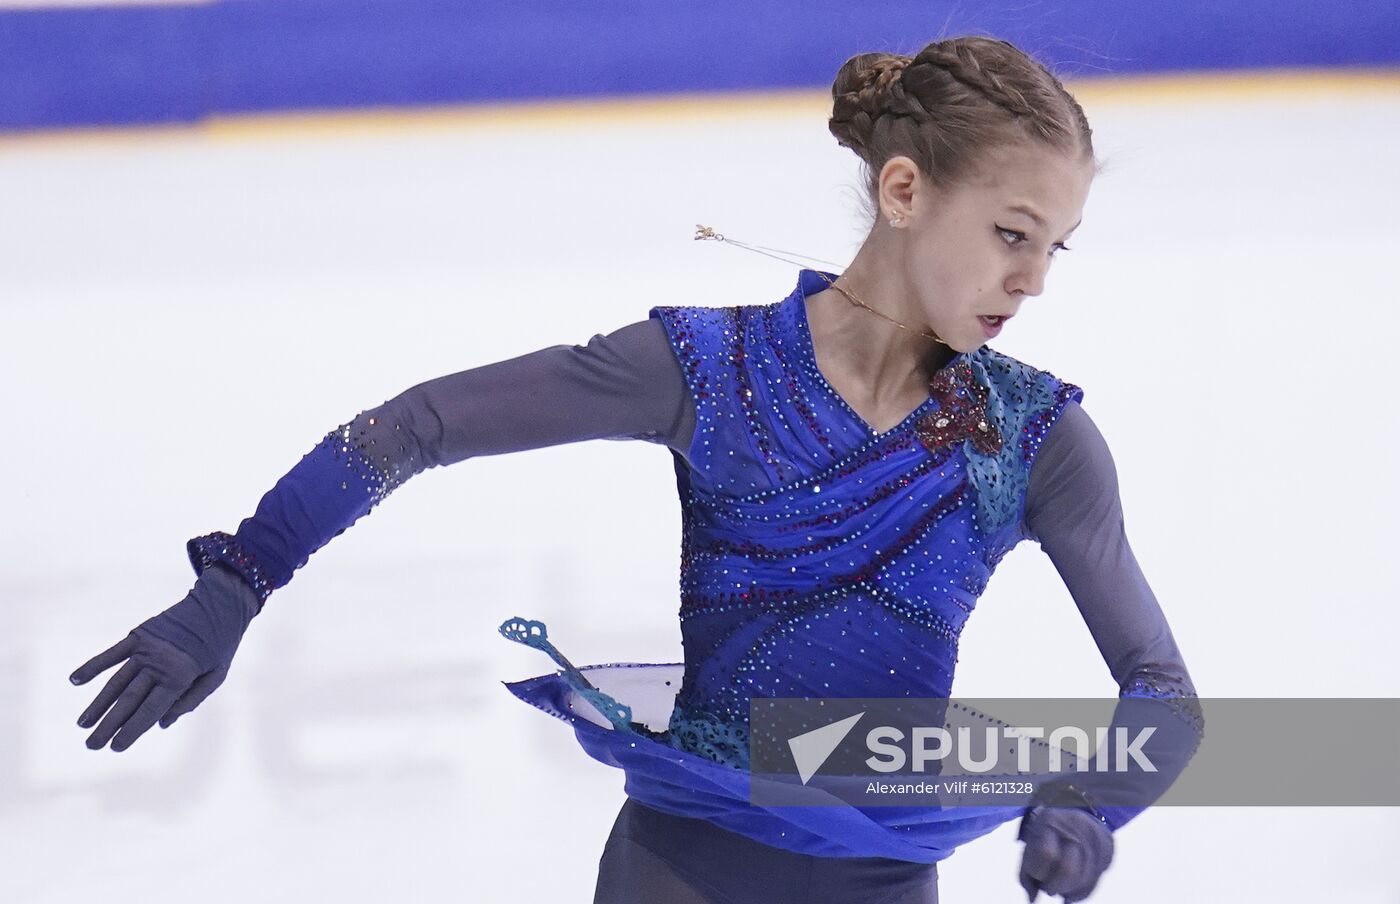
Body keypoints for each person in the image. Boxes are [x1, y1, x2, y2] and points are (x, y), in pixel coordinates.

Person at [70, 35, 1202, 904]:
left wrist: (1092, 801)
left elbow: (1161, 691)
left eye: (1053, 246)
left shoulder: (1032, 435)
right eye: (1012, 233)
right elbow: (415, 424)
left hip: (882, 877)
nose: (1034, 280)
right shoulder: (705, 370)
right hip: (679, 871)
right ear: (903, 193)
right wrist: (238, 580)